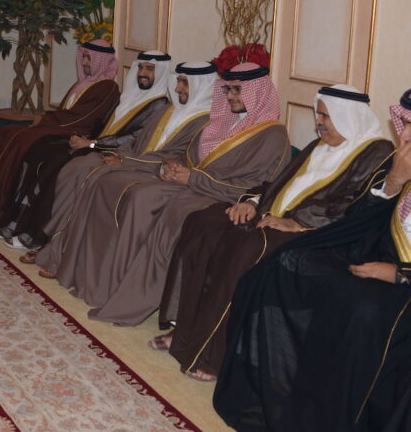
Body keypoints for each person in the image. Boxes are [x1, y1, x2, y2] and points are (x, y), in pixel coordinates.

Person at [154, 84, 392, 382]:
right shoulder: (318, 145)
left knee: (246, 247)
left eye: (326, 116)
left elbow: (352, 207)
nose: (318, 122)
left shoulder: (376, 153)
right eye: (318, 115)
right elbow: (276, 183)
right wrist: (252, 203)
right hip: (271, 217)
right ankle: (184, 330)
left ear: (349, 117)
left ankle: (212, 354)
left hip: (315, 234)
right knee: (204, 223)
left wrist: (297, 222)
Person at [214, 92, 411, 431]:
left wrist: (401, 274)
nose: (403, 135)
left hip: (400, 282)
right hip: (376, 257)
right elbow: (362, 220)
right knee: (287, 262)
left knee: (362, 309)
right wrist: (394, 181)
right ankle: (278, 390)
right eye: (404, 123)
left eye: (410, 127)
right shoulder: (400, 165)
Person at [41, 62, 291, 326]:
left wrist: (191, 177)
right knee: (113, 184)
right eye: (228, 89)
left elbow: (257, 187)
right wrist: (171, 169)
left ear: (257, 92)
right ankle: (96, 280)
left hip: (217, 195)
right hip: (193, 185)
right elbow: (190, 157)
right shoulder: (222, 122)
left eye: (237, 90)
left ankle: (126, 294)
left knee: (141, 198)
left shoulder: (273, 135)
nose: (230, 96)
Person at [23, 61, 217, 260]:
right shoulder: (168, 110)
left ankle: (65, 250)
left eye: (185, 83)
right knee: (77, 167)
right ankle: (52, 240)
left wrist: (125, 161)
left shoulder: (204, 122)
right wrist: (119, 154)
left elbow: (174, 156)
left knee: (95, 177)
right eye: (178, 82)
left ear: (201, 85)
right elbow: (138, 140)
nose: (177, 88)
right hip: (132, 160)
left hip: (150, 170)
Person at [0, 51, 174, 250]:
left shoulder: (159, 105)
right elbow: (102, 123)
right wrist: (83, 138)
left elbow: (133, 137)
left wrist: (92, 143)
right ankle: (17, 221)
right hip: (94, 143)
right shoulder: (129, 94)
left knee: (55, 165)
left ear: (161, 72)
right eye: (140, 67)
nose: (142, 73)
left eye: (150, 69)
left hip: (110, 151)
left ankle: (37, 234)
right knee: (41, 151)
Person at [0, 40, 120, 223]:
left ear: (101, 60)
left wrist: (45, 120)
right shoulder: (85, 83)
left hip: (73, 131)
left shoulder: (107, 87)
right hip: (60, 125)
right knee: (0, 135)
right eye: (84, 57)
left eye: (89, 58)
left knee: (20, 140)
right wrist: (47, 118)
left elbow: (82, 118)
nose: (84, 62)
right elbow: (67, 112)